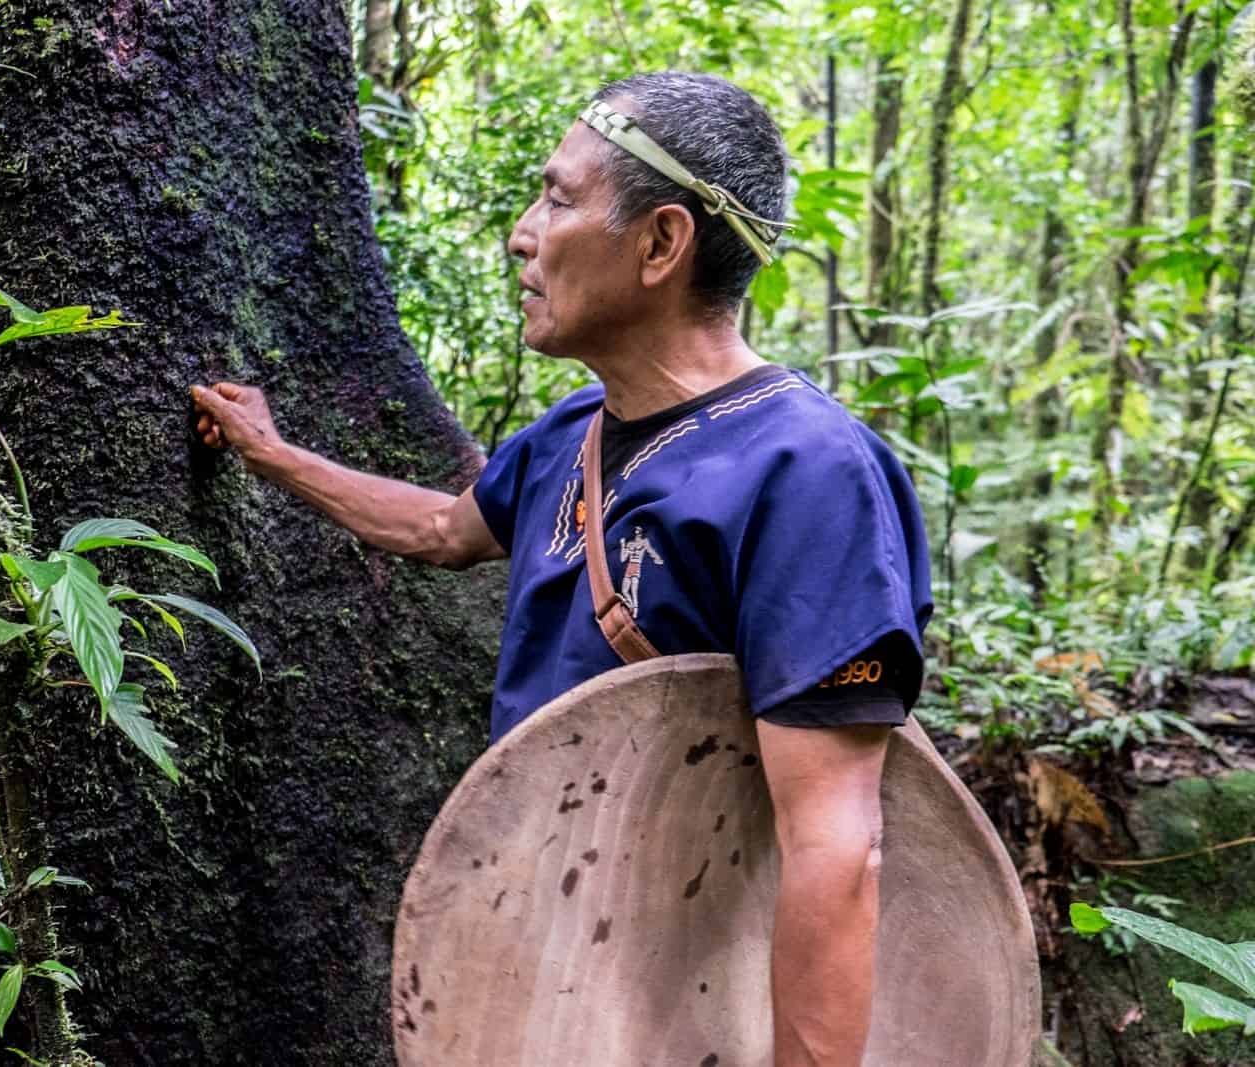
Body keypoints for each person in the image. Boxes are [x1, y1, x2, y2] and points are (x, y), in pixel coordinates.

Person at [191, 71, 932, 1067]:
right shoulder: (567, 437)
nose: (522, 232)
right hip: (551, 971)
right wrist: (276, 456)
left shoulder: (805, 471)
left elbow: (835, 846)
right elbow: (445, 529)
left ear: (660, 243)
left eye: (558, 196)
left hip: (699, 1003)